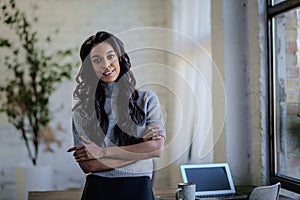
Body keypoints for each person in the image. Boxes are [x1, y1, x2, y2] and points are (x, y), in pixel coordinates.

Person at [67, 31, 166, 200]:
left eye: (110, 56)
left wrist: (103, 152)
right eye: (97, 60)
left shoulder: (146, 99)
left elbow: (156, 149)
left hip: (139, 188)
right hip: (98, 190)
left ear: (120, 58)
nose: (106, 65)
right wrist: (140, 150)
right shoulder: (82, 111)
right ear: (90, 67)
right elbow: (88, 164)